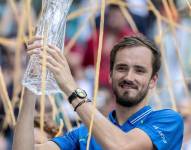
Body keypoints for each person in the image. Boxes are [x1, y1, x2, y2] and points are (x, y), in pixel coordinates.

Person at [13, 34, 184, 150]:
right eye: (122, 68)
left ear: (153, 80)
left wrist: (71, 87)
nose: (129, 77)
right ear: (110, 75)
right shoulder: (85, 133)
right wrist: (31, 81)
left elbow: (121, 146)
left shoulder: (168, 120)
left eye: (139, 70)